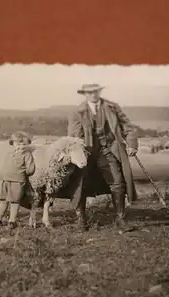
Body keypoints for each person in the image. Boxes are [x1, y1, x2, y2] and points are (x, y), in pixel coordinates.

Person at [68, 83, 139, 233]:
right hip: (86, 152)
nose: (93, 95)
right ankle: (81, 219)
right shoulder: (77, 112)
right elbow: (74, 137)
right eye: (89, 92)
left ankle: (120, 219)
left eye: (95, 91)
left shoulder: (112, 108)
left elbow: (129, 128)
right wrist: (78, 152)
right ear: (84, 94)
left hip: (109, 150)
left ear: (99, 92)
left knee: (118, 182)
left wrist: (132, 145)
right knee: (80, 183)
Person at [0, 131, 36, 230]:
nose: (20, 147)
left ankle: (12, 221)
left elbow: (30, 169)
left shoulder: (27, 155)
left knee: (14, 202)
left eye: (23, 144)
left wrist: (23, 174)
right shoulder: (9, 154)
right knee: (3, 201)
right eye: (17, 144)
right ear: (13, 144)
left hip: (17, 181)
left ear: (27, 145)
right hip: (4, 180)